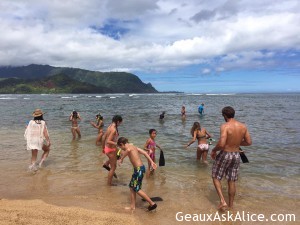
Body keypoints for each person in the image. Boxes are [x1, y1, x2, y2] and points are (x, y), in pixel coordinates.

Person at [211, 106, 252, 210]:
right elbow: (248, 142)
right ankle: (231, 205)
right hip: (236, 155)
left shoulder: (225, 126)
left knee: (215, 176)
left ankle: (222, 201)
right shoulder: (243, 126)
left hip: (226, 154)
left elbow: (221, 144)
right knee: (231, 180)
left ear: (225, 115)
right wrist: (237, 142)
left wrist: (214, 150)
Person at [117, 137, 157, 211]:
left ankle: (152, 203)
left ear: (122, 144)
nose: (122, 149)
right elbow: (145, 153)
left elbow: (128, 150)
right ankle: (132, 206)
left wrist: (121, 159)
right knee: (132, 187)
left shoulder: (129, 148)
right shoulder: (134, 147)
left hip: (139, 170)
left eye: (121, 147)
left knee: (136, 188)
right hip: (139, 169)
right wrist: (152, 162)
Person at [102, 115, 123, 185]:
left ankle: (106, 164)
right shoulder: (113, 130)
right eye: (120, 123)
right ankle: (109, 184)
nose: (120, 124)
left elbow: (104, 137)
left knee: (119, 155)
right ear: (117, 121)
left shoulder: (110, 126)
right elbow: (108, 140)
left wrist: (103, 148)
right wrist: (117, 143)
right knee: (113, 167)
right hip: (110, 149)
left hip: (109, 148)